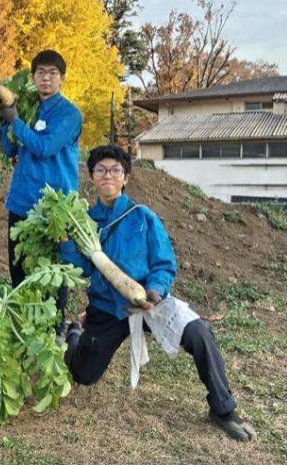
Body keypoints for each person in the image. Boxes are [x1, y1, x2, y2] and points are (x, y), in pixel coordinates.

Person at [60, 145, 257, 442]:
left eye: (115, 170)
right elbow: (83, 269)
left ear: (125, 177)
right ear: (92, 177)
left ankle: (223, 409)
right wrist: (65, 242)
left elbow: (164, 263)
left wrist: (153, 292)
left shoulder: (143, 216)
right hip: (107, 308)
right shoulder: (85, 222)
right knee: (83, 375)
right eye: (100, 170)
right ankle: (74, 334)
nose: (108, 175)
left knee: (199, 331)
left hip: (149, 301)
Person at [0, 50, 82, 331]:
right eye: (40, 73)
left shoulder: (69, 114)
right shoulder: (29, 109)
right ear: (33, 77)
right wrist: (4, 121)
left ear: (62, 78)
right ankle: (23, 327)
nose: (46, 78)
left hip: (53, 206)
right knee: (19, 267)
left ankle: (55, 329)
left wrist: (15, 121)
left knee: (52, 271)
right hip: (22, 200)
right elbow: (10, 149)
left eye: (52, 73)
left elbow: (45, 147)